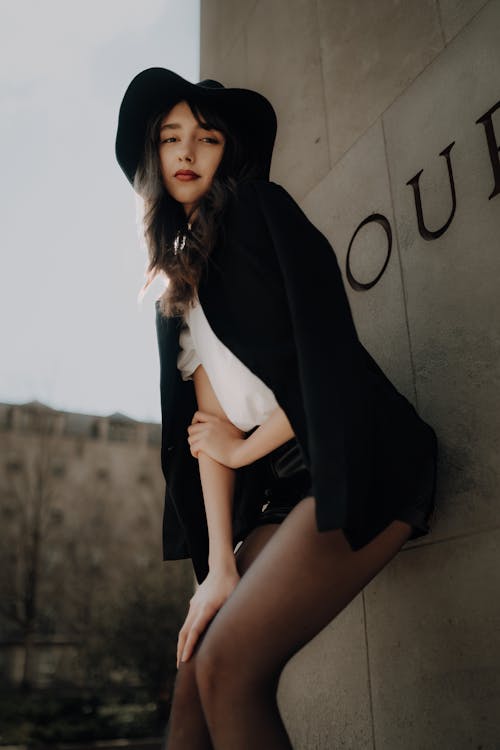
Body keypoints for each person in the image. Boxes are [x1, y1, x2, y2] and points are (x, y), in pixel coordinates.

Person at [115, 68, 438, 750]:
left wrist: (242, 448)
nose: (186, 152)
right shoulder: (178, 290)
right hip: (281, 496)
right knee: (193, 678)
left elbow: (329, 359)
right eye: (170, 138)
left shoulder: (261, 211)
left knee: (231, 668)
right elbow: (209, 431)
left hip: (355, 451)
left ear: (227, 153)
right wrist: (219, 566)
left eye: (205, 138)